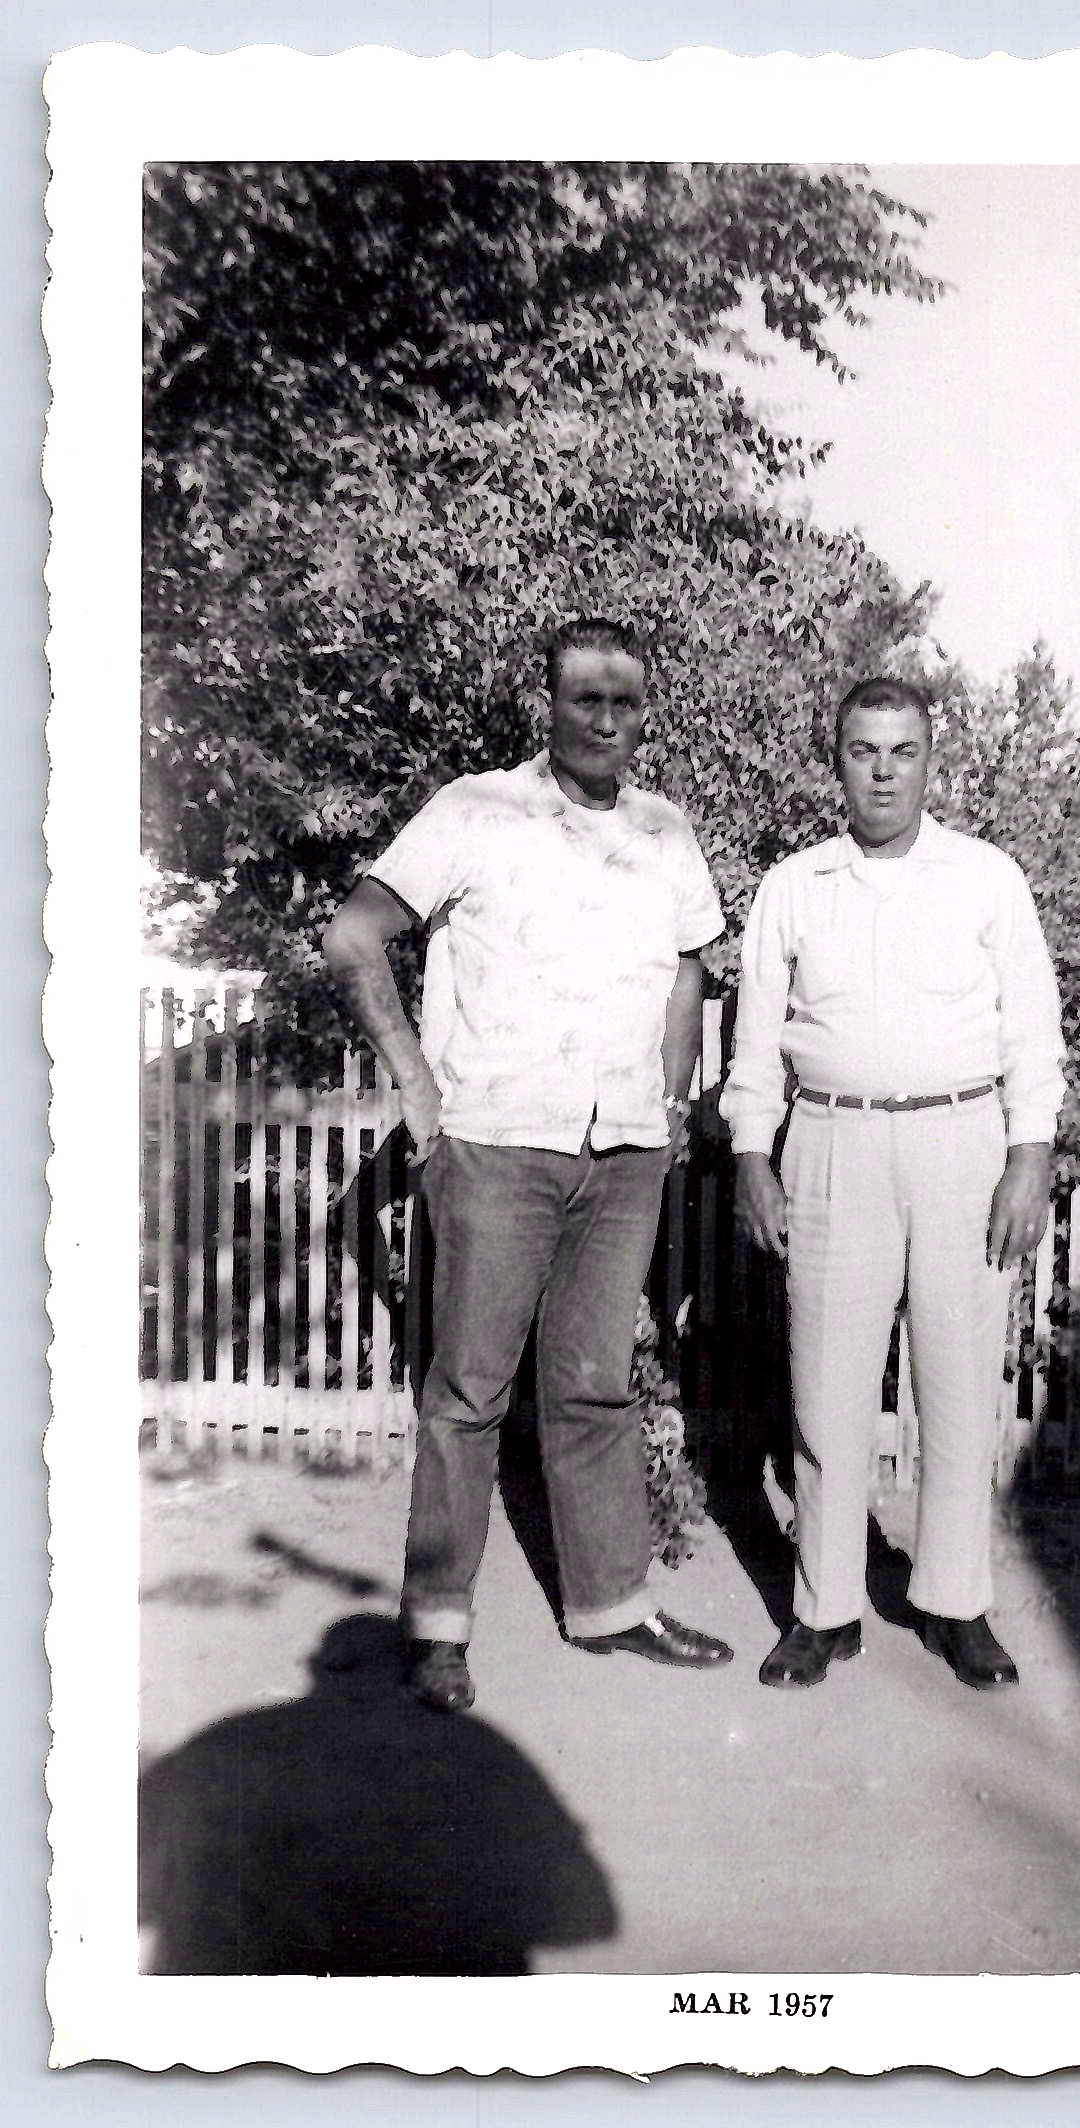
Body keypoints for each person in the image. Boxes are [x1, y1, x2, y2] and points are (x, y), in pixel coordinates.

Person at [323, 618, 733, 1712]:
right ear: (544, 704)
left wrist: (672, 1097)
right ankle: (436, 1628)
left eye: (624, 703)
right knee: (467, 1394)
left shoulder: (665, 831)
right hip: (497, 1144)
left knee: (594, 1386)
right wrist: (415, 1085)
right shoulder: (474, 811)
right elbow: (351, 936)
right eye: (585, 699)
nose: (606, 721)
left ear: (644, 713)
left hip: (624, 1152)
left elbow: (688, 967)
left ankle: (609, 1605)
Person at [720, 678, 1066, 1691]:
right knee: (826, 1389)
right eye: (862, 750)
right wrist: (751, 1154)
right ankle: (823, 1611)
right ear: (836, 761)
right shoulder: (794, 886)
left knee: (957, 1383)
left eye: (901, 751)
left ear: (928, 762)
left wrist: (1028, 1155)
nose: (882, 772)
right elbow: (754, 1042)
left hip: (962, 1143)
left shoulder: (986, 878)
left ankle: (953, 1602)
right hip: (833, 1144)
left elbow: (1031, 1029)